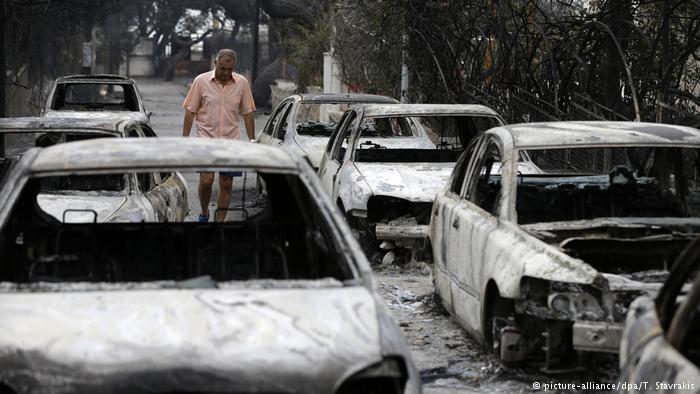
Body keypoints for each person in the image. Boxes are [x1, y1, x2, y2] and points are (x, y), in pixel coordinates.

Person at [182, 49, 256, 222]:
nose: (226, 73)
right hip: (205, 140)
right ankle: (204, 210)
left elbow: (247, 113)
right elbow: (190, 111)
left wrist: (252, 140)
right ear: (216, 63)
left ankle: (219, 223)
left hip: (230, 142)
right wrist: (184, 140)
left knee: (226, 182)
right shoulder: (201, 81)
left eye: (230, 69)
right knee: (206, 180)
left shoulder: (242, 83)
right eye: (223, 68)